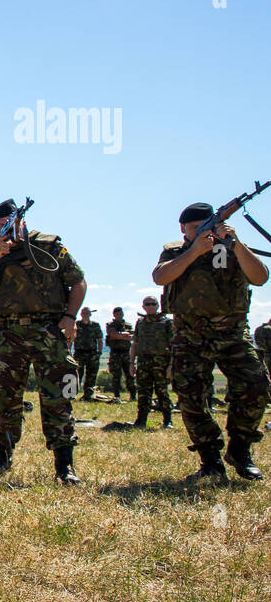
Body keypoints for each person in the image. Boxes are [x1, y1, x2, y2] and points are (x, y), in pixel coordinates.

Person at [152, 202, 269, 480]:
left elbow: (261, 277)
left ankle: (240, 450)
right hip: (190, 334)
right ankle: (210, 460)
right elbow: (160, 277)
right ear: (183, 229)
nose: (204, 232)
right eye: (196, 228)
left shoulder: (232, 249)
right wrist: (195, 251)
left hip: (233, 333)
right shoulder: (175, 252)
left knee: (256, 386)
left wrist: (236, 243)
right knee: (190, 396)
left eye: (208, 226)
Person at [0, 198, 87, 484]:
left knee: (58, 397)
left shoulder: (49, 246)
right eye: (1, 226)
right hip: (10, 333)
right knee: (5, 398)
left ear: (22, 221)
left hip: (49, 332)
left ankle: (65, 464)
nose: (8, 229)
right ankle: (3, 453)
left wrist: (71, 316)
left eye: (12, 224)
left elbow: (78, 281)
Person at [131, 295, 173, 429]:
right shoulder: (140, 322)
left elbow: (173, 346)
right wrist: (132, 363)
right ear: (143, 306)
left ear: (158, 305)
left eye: (153, 303)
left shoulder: (166, 323)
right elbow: (135, 344)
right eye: (147, 304)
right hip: (143, 362)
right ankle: (141, 420)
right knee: (143, 392)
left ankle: (168, 420)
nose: (150, 306)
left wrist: (171, 366)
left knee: (162, 391)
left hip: (161, 362)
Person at [104, 306, 137, 400]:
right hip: (115, 353)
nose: (119, 315)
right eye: (117, 314)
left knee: (130, 375)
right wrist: (124, 335)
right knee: (116, 375)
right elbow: (113, 335)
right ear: (114, 315)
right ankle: (117, 396)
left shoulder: (128, 325)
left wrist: (120, 335)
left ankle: (133, 395)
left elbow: (132, 336)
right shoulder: (110, 325)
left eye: (120, 313)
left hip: (126, 352)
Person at [73, 307, 103, 401]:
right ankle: (72, 395)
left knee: (91, 375)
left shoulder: (95, 325)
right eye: (83, 313)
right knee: (76, 374)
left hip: (92, 353)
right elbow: (70, 338)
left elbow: (100, 340)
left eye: (87, 313)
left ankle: (88, 395)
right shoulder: (76, 324)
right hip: (79, 353)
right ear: (81, 314)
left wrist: (99, 352)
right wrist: (69, 351)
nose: (85, 314)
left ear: (90, 314)